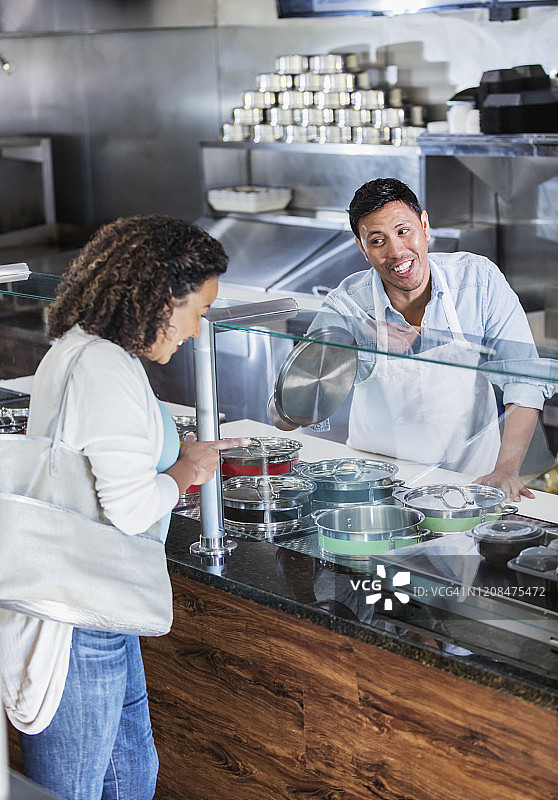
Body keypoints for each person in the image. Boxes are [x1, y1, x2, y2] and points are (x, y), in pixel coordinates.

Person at [0, 214, 249, 800]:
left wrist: (176, 454)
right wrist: (187, 472)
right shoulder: (106, 368)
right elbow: (131, 510)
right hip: (79, 617)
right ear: (161, 298)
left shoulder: (81, 346)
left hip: (98, 606)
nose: (195, 331)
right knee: (76, 790)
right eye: (197, 312)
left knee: (130, 778)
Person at [271, 178, 556, 501]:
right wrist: (349, 346)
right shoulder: (347, 305)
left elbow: (525, 381)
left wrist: (506, 470)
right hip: (375, 491)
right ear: (362, 249)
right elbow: (282, 416)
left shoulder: (479, 280)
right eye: (378, 241)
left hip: (470, 485)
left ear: (424, 225)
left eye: (403, 231)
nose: (396, 252)